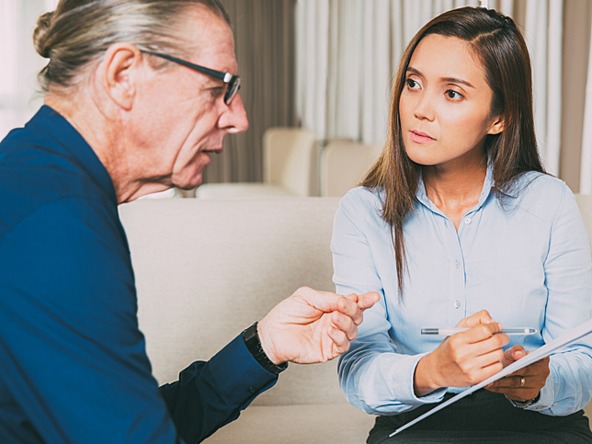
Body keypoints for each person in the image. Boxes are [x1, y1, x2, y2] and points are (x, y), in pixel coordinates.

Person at [0, 1, 379, 443]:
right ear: (123, 76)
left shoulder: (37, 181)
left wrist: (264, 345)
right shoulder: (58, 226)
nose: (239, 118)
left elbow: (124, 421)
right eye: (221, 86)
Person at [332, 6, 592, 444]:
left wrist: (538, 383)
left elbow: (582, 358)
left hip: (539, 426)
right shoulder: (362, 213)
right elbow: (358, 371)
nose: (420, 110)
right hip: (418, 425)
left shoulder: (549, 203)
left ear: (500, 117)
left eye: (452, 93)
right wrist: (430, 369)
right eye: (413, 84)